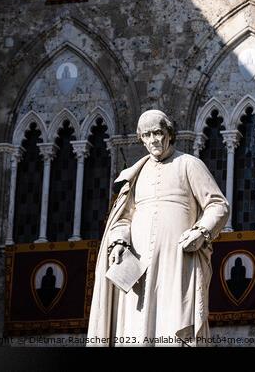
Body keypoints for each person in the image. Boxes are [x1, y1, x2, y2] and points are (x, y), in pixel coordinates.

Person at [87, 109, 229, 346]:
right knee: (135, 322)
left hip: (177, 260)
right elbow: (123, 217)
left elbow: (218, 205)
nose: (153, 140)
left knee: (175, 318)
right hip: (138, 265)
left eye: (157, 133)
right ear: (141, 139)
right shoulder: (136, 174)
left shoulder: (189, 165)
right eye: (147, 135)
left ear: (169, 134)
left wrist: (201, 231)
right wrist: (119, 241)